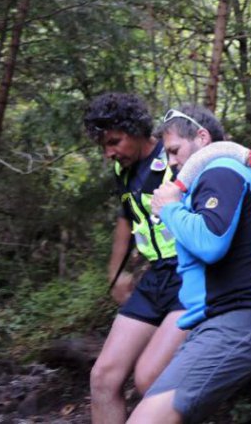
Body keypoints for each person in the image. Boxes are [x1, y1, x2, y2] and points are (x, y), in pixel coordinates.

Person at [129, 105, 251, 423]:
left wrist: (169, 208)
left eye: (174, 151)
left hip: (232, 328)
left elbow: (210, 243)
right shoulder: (222, 175)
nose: (170, 162)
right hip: (214, 327)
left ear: (202, 137)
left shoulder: (221, 170)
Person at [83, 93, 186, 424]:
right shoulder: (122, 169)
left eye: (115, 141)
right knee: (102, 379)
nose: (109, 152)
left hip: (190, 275)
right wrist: (116, 271)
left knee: (152, 380)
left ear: (138, 129)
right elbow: (126, 217)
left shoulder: (175, 157)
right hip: (155, 277)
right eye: (104, 145)